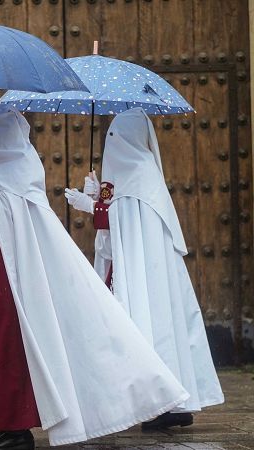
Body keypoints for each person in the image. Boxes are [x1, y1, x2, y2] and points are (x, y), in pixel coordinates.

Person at [0, 104, 189, 449]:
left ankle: (16, 428)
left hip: (8, 284)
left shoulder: (17, 170)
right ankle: (5, 424)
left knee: (6, 350)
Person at [65, 107, 224, 431]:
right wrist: (99, 197)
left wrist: (91, 207)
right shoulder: (134, 176)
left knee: (154, 329)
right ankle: (159, 403)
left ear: (126, 140)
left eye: (114, 139)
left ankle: (166, 403)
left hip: (145, 278)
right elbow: (121, 217)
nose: (111, 146)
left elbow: (126, 219)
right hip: (135, 272)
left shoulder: (140, 177)